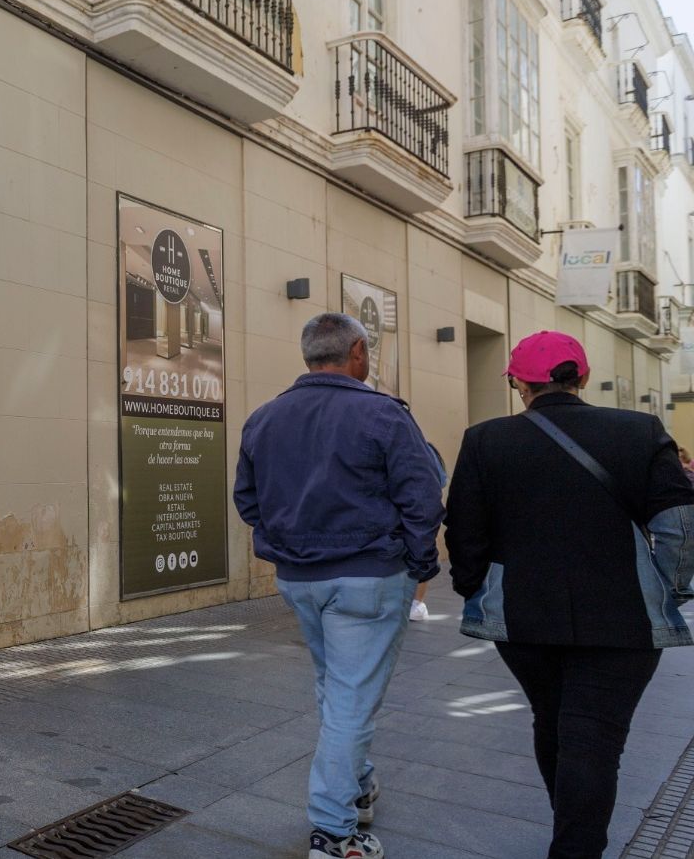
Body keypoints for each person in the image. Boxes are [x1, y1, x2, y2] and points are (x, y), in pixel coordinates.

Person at [446, 331, 694, 859]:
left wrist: (473, 586)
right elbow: (678, 525)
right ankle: (575, 845)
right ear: (581, 377)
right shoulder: (639, 431)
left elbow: (464, 532)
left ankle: (572, 837)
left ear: (518, 383)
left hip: (523, 617)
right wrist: (669, 590)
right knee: (593, 738)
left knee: (554, 720)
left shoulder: (484, 439)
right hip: (623, 620)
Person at [234, 312, 444, 859]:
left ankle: (358, 785)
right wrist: (420, 564)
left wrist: (286, 541)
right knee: (350, 698)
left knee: (337, 686)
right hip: (369, 578)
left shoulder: (264, 418)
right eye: (366, 350)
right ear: (356, 351)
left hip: (299, 579)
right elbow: (421, 499)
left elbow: (248, 501)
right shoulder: (383, 414)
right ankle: (334, 833)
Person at [410, 442, 450, 622]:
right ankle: (416, 603)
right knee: (422, 552)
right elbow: (441, 480)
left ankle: (416, 603)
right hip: (422, 514)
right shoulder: (425, 448)